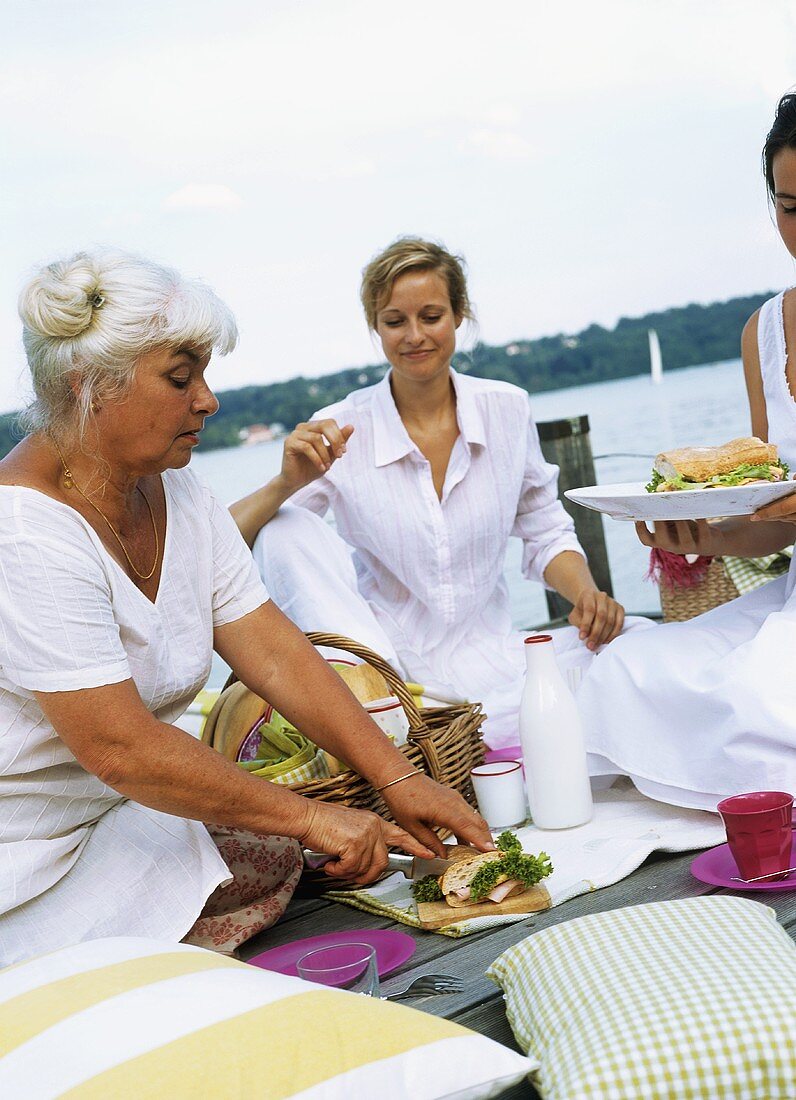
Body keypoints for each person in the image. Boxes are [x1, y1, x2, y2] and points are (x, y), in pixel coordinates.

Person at [0, 249, 492, 968]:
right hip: (28, 853)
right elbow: (122, 748)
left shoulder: (179, 490)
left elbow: (271, 646)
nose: (208, 399)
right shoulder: (24, 533)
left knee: (280, 853)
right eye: (180, 377)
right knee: (281, 851)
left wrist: (398, 776)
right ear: (90, 388)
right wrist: (314, 816)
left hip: (126, 816)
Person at [232, 238, 636, 749]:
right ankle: (377, 715)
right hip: (390, 678)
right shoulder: (338, 428)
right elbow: (226, 547)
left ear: (459, 314)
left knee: (638, 646)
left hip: (495, 659)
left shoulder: (507, 409)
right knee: (285, 527)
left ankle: (465, 732)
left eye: (431, 315)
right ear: (375, 327)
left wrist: (587, 597)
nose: (415, 336)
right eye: (395, 321)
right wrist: (286, 483)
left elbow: (544, 528)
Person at [574, 92, 796, 809]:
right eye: (791, 208)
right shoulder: (763, 334)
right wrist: (706, 530)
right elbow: (771, 516)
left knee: (755, 692)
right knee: (621, 668)